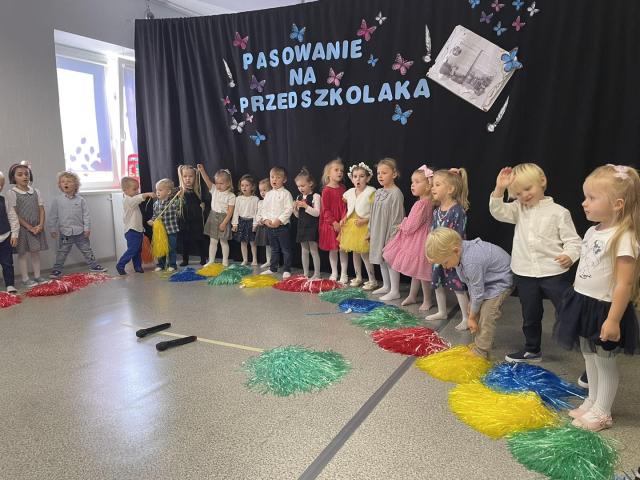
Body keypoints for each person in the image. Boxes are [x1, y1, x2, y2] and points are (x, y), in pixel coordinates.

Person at [556, 164, 640, 432]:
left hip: (605, 308)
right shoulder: (593, 231)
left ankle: (603, 411)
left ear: (617, 204)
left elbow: (625, 283)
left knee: (604, 361)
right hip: (583, 303)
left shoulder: (624, 237)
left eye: (592, 198)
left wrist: (613, 320)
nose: (584, 203)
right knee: (588, 355)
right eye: (585, 197)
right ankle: (592, 400)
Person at [489, 163, 581, 363]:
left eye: (528, 189)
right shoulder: (518, 209)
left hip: (553, 272)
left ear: (542, 181)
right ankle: (532, 350)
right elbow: (497, 211)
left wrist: (570, 255)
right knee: (530, 314)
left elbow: (574, 241)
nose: (524, 195)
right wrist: (499, 189)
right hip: (525, 273)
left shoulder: (559, 212)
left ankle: (588, 353)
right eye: (518, 193)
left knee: (568, 310)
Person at [426, 227, 514, 359]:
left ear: (456, 251)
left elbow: (478, 291)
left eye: (445, 263)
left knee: (487, 314)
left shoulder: (471, 261)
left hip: (501, 282)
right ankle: (483, 340)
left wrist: (471, 317)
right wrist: (473, 308)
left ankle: (481, 351)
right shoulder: (458, 254)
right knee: (474, 308)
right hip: (486, 282)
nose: (445, 267)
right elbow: (471, 283)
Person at [383, 165, 434, 310]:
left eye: (417, 182)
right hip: (422, 238)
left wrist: (403, 224)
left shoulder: (421, 204)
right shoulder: (427, 202)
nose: (413, 185)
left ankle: (427, 300)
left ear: (428, 185)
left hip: (420, 241)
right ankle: (412, 295)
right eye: (412, 182)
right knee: (416, 271)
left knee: (422, 273)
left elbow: (411, 226)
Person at [426, 168, 471, 330]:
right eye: (433, 184)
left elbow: (458, 236)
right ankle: (442, 311)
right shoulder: (437, 211)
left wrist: (450, 253)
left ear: (450, 189)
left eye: (437, 185)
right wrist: (431, 251)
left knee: (458, 286)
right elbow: (433, 232)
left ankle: (466, 317)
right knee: (437, 282)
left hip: (452, 256)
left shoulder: (457, 211)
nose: (433, 188)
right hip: (439, 255)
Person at [48, 171, 107, 278]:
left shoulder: (81, 200)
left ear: (75, 185)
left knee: (87, 250)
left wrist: (87, 228)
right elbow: (53, 216)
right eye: (63, 182)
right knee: (62, 252)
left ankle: (94, 266)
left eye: (69, 181)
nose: (66, 183)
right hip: (65, 232)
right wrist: (52, 229)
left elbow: (86, 215)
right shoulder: (57, 200)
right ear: (60, 185)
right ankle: (57, 270)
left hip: (80, 232)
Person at [5, 163, 48, 287]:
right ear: (13, 177)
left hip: (36, 227)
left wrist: (40, 225)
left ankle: (38, 276)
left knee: (35, 252)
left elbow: (41, 209)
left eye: (26, 174)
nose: (24, 176)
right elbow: (14, 214)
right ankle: (25, 278)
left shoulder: (36, 191)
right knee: (22, 253)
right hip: (22, 229)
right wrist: (29, 227)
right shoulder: (11, 193)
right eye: (20, 174)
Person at [368, 158, 405, 299]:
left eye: (384, 173)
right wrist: (370, 230)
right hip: (378, 230)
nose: (380, 176)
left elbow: (397, 216)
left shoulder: (396, 193)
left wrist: (393, 236)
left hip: (389, 231)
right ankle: (386, 285)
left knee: (390, 260)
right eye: (378, 173)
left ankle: (395, 290)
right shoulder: (378, 192)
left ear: (394, 174)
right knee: (381, 259)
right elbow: (373, 213)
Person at [340, 162, 377, 289]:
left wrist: (365, 220)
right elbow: (349, 208)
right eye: (355, 176)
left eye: (361, 176)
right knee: (355, 253)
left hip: (364, 227)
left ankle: (372, 280)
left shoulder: (371, 192)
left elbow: (375, 212)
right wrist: (344, 218)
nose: (358, 179)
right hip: (352, 227)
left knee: (365, 254)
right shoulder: (349, 192)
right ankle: (358, 277)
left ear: (368, 178)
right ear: (352, 178)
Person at [116, 176, 155, 275]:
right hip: (131, 230)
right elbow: (136, 199)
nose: (137, 191)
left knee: (138, 250)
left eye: (138, 189)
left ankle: (137, 266)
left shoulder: (132, 200)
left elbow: (137, 216)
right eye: (134, 189)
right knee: (133, 249)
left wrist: (142, 229)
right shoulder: (127, 200)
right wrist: (146, 194)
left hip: (138, 230)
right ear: (125, 190)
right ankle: (120, 264)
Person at [260, 166, 294, 278]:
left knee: (286, 249)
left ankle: (287, 269)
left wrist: (279, 220)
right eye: (272, 177)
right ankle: (273, 268)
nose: (274, 180)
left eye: (278, 177)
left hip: (282, 227)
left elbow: (289, 209)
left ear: (284, 180)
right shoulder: (268, 194)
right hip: (270, 227)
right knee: (274, 249)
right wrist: (265, 220)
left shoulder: (286, 193)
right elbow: (264, 209)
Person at [199, 165, 235, 266]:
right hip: (213, 217)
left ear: (228, 183)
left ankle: (225, 260)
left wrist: (224, 223)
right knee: (213, 241)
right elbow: (207, 180)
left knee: (223, 241)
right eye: (217, 183)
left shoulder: (231, 196)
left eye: (221, 183)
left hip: (224, 219)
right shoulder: (214, 189)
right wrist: (202, 171)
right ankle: (211, 260)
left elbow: (230, 212)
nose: (218, 186)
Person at [318, 158, 348, 282]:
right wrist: (334, 222)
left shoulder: (343, 188)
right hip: (331, 224)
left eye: (341, 170)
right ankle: (334, 272)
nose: (339, 172)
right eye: (336, 170)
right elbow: (325, 210)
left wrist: (343, 219)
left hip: (343, 222)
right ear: (328, 173)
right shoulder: (326, 190)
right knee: (333, 249)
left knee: (343, 249)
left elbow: (346, 206)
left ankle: (344, 274)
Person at [177, 164, 209, 266]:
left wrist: (202, 206)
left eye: (190, 176)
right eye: (185, 176)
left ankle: (203, 258)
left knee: (200, 239)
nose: (188, 179)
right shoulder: (179, 192)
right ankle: (185, 260)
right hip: (184, 221)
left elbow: (201, 204)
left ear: (195, 177)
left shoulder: (197, 192)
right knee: (185, 241)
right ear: (182, 177)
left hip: (196, 221)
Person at [293, 167, 321, 278]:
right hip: (301, 227)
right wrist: (294, 209)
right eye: (298, 186)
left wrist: (306, 206)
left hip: (312, 227)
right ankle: (305, 273)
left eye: (303, 186)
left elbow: (317, 213)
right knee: (304, 250)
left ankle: (317, 274)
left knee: (313, 250)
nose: (300, 188)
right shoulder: (298, 197)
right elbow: (298, 216)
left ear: (310, 183)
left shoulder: (315, 196)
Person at [148, 178, 180, 272]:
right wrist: (152, 221)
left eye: (160, 190)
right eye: (157, 190)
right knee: (160, 248)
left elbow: (179, 207)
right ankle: (161, 264)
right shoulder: (156, 204)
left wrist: (180, 196)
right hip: (160, 232)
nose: (157, 192)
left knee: (171, 248)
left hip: (171, 230)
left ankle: (172, 265)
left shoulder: (173, 202)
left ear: (168, 192)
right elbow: (155, 216)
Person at [232, 174, 260, 266]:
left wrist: (255, 224)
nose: (244, 187)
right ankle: (245, 259)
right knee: (243, 242)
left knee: (252, 242)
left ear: (252, 187)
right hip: (241, 222)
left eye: (247, 185)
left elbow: (256, 213)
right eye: (242, 185)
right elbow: (236, 212)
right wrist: (235, 224)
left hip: (251, 222)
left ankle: (254, 259)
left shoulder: (255, 199)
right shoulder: (238, 199)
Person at [0, 171, 18, 293]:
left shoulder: (4, 200)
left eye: (1, 185)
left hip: (5, 236)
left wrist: (14, 234)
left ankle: (10, 284)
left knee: (7, 263)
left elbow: (12, 217)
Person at [254, 178, 272, 269]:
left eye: (265, 190)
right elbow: (257, 214)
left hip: (271, 225)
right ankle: (268, 261)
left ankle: (274, 261)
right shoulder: (260, 202)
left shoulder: (273, 202)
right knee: (267, 245)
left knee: (273, 245)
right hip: (263, 226)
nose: (262, 192)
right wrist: (259, 220)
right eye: (261, 190)